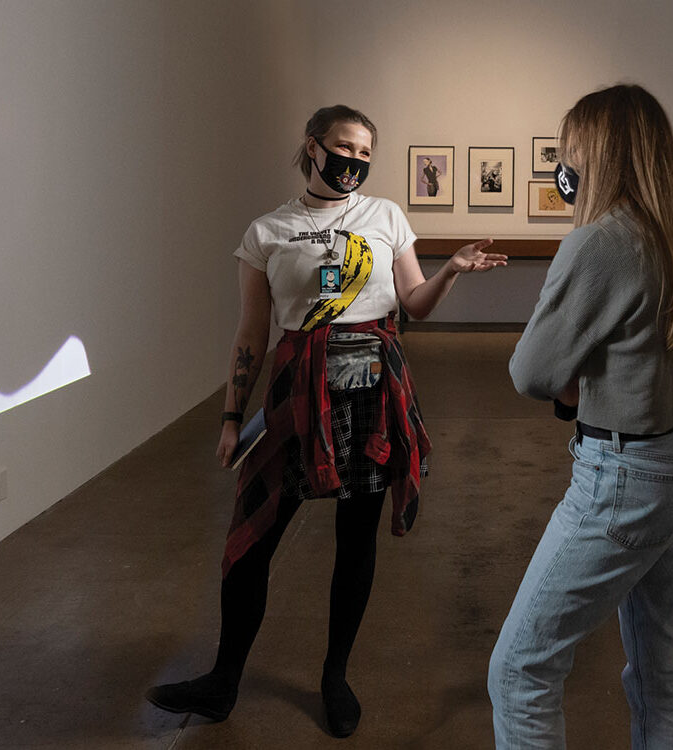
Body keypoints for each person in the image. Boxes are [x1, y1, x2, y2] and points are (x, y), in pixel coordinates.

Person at [146, 105, 507, 737]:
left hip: (371, 386)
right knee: (252, 541)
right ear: (312, 147)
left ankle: (335, 676)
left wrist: (450, 269)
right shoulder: (267, 231)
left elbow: (414, 304)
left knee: (356, 540)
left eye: (367, 153)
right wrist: (233, 416)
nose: (356, 162)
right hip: (294, 392)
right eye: (345, 148)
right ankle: (223, 681)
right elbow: (251, 332)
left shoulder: (387, 217)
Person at [489, 83, 673, 749]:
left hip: (625, 480)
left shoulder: (600, 241)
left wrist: (572, 385)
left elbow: (531, 371)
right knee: (661, 671)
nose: (563, 166)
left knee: (521, 671)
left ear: (600, 152)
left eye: (570, 151)